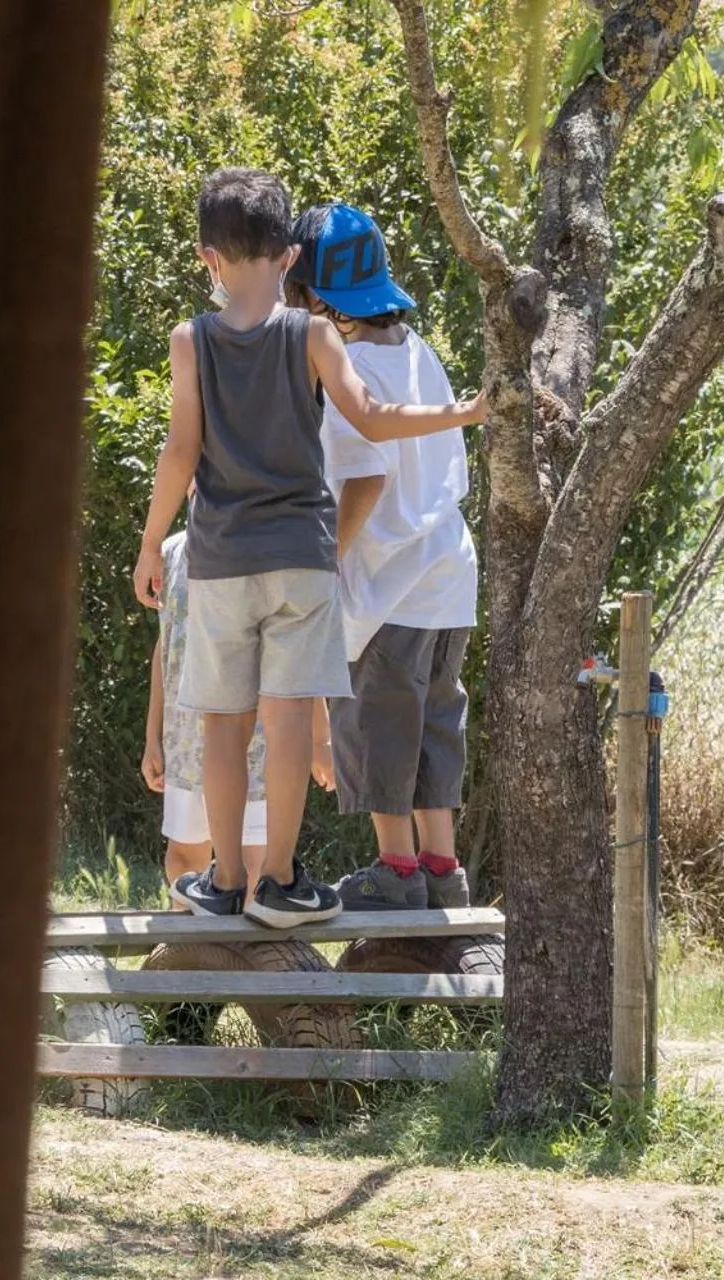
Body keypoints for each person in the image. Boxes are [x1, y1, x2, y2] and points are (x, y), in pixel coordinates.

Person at [131, 167, 486, 928]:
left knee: (250, 720)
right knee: (325, 721)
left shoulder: (193, 341)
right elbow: (382, 425)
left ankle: (238, 878)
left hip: (258, 562)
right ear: (286, 259)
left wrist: (152, 541)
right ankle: (303, 877)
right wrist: (467, 410)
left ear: (208, 258)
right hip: (369, 568)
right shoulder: (346, 340)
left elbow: (182, 451)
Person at [287, 202, 479, 911]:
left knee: (379, 720)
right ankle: (440, 864)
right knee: (434, 720)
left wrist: (320, 558)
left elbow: (364, 476)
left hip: (388, 576)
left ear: (315, 299)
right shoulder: (416, 349)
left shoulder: (349, 368)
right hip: (448, 571)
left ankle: (395, 870)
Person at [142, 526, 270, 897]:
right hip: (184, 738)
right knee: (182, 859)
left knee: (252, 866)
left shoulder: (266, 546)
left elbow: (296, 649)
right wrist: (153, 737)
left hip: (253, 736)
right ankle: (188, 953)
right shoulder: (168, 552)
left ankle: (247, 954)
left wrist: (317, 734)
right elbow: (166, 646)